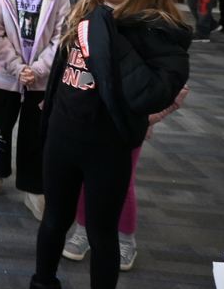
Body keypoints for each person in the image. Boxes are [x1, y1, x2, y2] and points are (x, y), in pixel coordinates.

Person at [28, 0, 190, 289]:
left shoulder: (160, 35)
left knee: (102, 234)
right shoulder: (86, 16)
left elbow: (151, 92)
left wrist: (105, 31)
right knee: (54, 222)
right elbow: (60, 76)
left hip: (108, 148)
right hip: (63, 139)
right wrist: (49, 115)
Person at [0, 0, 70, 221]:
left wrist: (39, 70)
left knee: (36, 136)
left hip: (40, 83)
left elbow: (61, 38)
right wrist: (18, 68)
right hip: (6, 78)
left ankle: (34, 190)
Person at [62, 85, 189, 272]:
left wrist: (150, 117)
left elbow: (178, 87)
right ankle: (83, 230)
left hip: (129, 125)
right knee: (86, 175)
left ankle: (125, 239)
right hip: (91, 118)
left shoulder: (157, 56)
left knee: (122, 181)